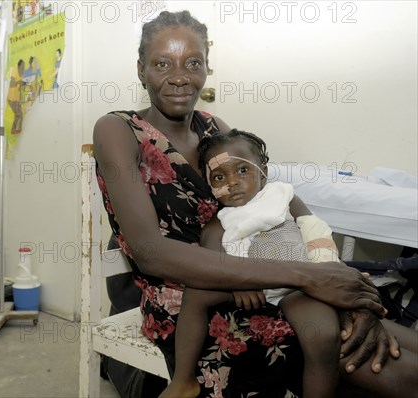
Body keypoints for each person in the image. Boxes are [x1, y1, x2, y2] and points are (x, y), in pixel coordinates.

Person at [93, 10, 418, 397]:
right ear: (141, 69)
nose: (179, 76)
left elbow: (274, 208)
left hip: (261, 279)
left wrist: (344, 291)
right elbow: (151, 253)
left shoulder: (216, 131)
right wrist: (307, 278)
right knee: (387, 366)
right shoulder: (117, 129)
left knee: (383, 329)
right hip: (192, 306)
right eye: (162, 63)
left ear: (207, 68)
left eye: (192, 63)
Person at [162, 129, 343, 398]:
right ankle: (183, 379)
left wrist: (325, 267)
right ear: (209, 184)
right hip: (255, 285)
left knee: (324, 336)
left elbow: (313, 227)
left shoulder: (284, 197)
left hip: (300, 287)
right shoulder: (219, 222)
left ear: (263, 172)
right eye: (220, 177)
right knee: (196, 293)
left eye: (242, 171)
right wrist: (237, 281)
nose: (232, 182)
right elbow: (215, 265)